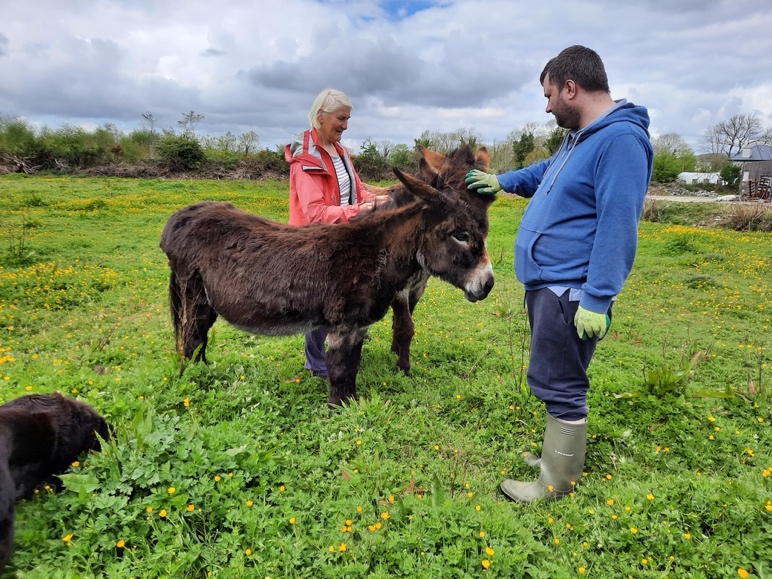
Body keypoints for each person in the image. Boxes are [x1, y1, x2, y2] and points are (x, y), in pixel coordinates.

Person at [466, 45, 653, 503]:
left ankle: (556, 482)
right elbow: (548, 171)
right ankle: (556, 454)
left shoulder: (620, 141)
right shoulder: (582, 139)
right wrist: (504, 182)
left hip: (571, 290)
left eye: (550, 95)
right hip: (548, 283)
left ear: (572, 88)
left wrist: (598, 296)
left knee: (563, 383)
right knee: (553, 374)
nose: (547, 105)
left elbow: (618, 223)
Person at [285, 88, 385, 378]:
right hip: (316, 241)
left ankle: (344, 351)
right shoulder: (307, 159)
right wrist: (362, 212)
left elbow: (357, 188)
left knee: (346, 299)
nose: (345, 125)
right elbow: (315, 213)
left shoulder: (339, 151)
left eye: (348, 119)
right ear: (320, 116)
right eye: (340, 118)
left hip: (342, 236)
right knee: (320, 304)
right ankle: (318, 363)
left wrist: (375, 200)